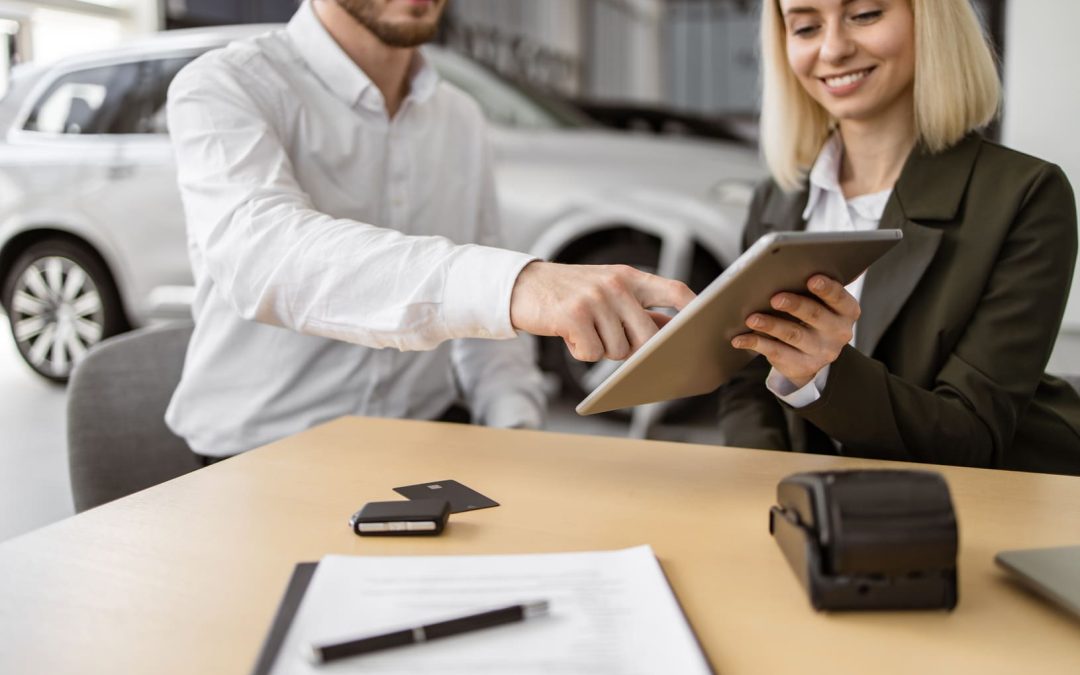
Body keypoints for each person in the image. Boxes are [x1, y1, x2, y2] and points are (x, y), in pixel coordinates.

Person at [164, 0, 693, 458]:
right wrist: (517, 285)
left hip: (425, 441)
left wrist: (515, 428)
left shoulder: (459, 116)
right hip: (264, 453)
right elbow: (263, 255)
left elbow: (489, 333)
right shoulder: (226, 84)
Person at [718, 0, 1080, 474]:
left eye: (865, 14)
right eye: (805, 27)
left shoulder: (1025, 195)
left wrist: (824, 373)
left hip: (989, 500)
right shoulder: (777, 199)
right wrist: (770, 489)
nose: (833, 49)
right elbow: (748, 385)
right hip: (813, 503)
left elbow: (971, 436)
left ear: (930, 21)